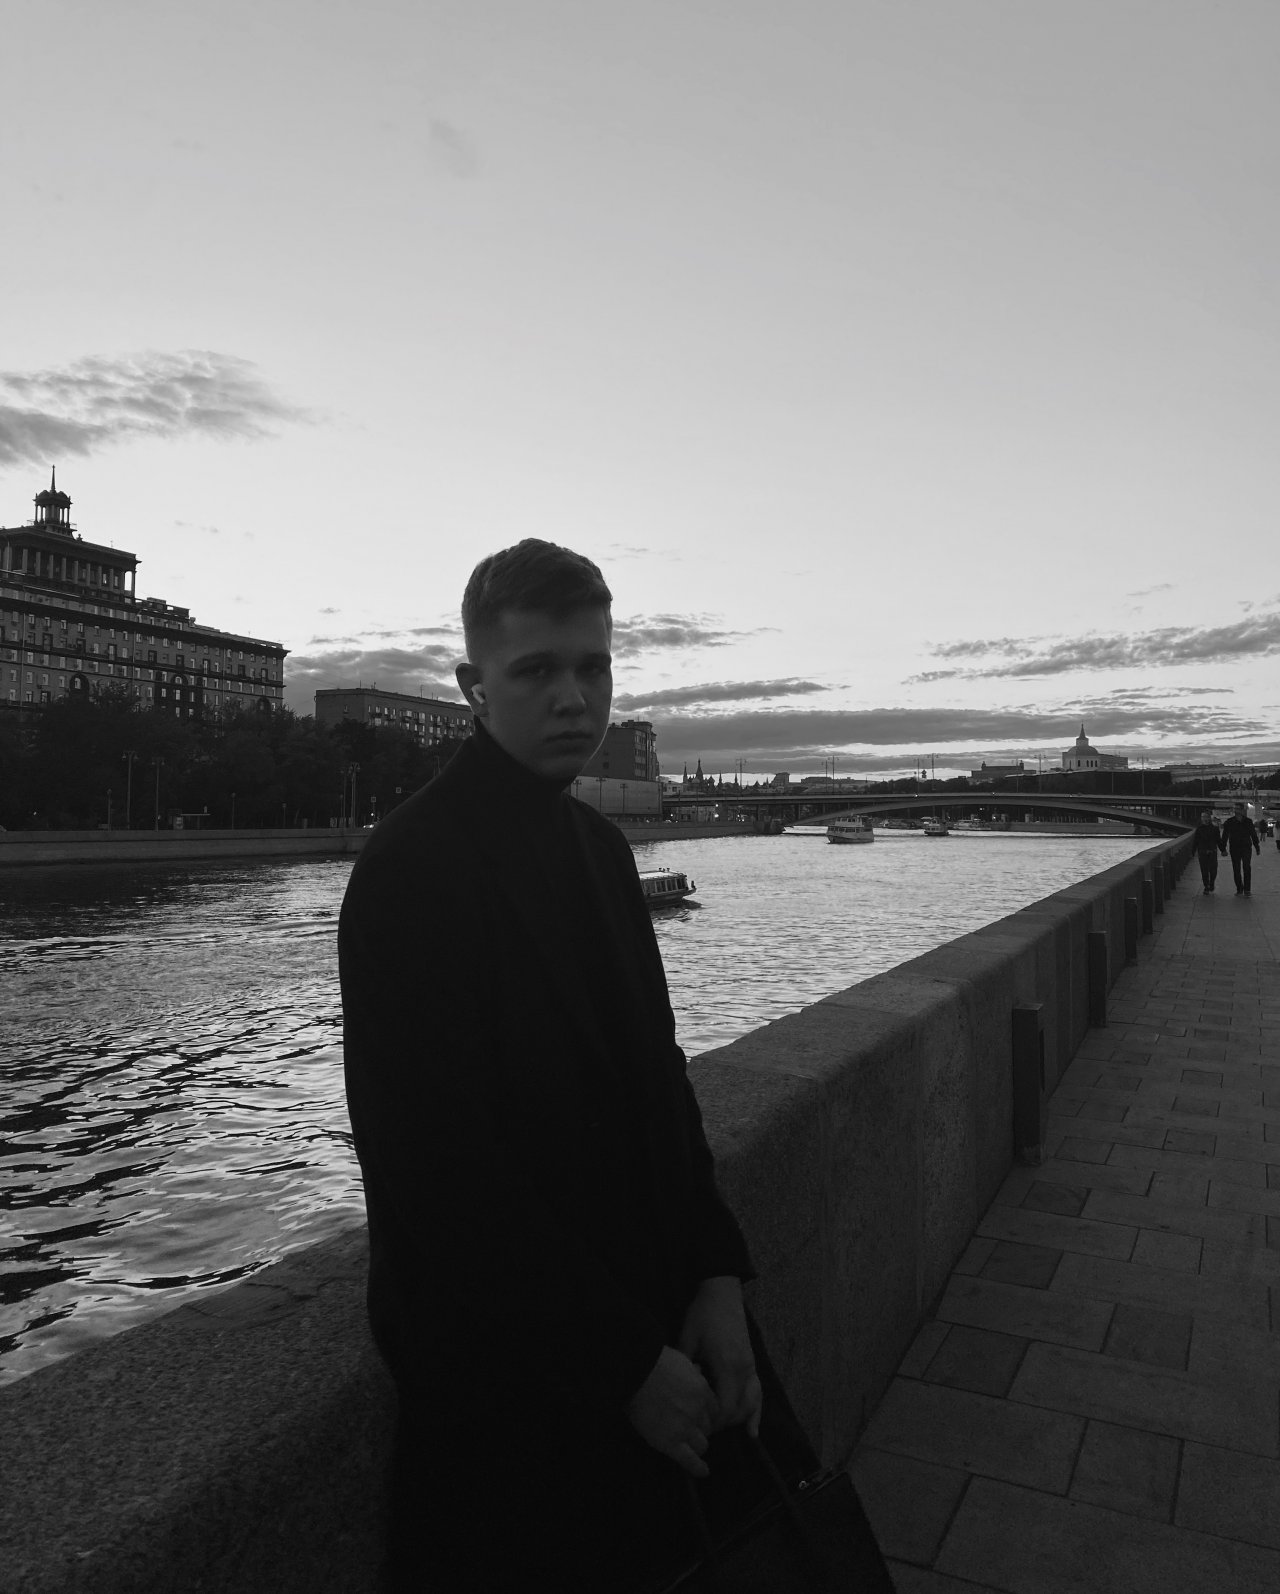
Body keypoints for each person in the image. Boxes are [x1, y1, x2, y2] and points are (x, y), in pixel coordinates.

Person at [340, 541, 892, 1593]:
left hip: (658, 1321)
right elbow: (436, 1174)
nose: (572, 697)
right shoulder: (409, 870)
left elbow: (658, 1080)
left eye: (591, 666)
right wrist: (620, 1366)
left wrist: (718, 1274)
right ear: (473, 687)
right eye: (537, 671)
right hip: (521, 1382)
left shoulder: (597, 849)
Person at [1219, 801, 1260, 895]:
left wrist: (1257, 846)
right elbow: (1225, 836)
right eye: (1234, 809)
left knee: (1247, 867)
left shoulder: (1248, 821)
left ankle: (1247, 889)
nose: (1235, 811)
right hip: (1234, 848)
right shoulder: (1229, 822)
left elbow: (1253, 835)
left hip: (1246, 847)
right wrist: (1223, 849)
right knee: (1236, 869)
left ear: (1242, 810)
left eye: (1237, 809)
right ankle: (1239, 888)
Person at [1190, 811, 1221, 893]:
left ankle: (1212, 883)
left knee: (1213, 870)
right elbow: (1195, 841)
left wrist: (1223, 850)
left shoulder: (1215, 829)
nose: (1204, 818)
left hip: (1212, 852)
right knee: (1204, 870)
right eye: (1202, 817)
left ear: (1209, 818)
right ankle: (1206, 886)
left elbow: (1218, 840)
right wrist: (1193, 852)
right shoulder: (1199, 829)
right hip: (1202, 852)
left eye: (1205, 816)